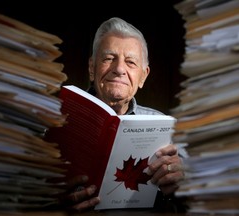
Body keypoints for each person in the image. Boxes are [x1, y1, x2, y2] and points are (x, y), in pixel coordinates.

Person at [60, 17, 185, 212]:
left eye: (130, 62)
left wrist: (183, 187)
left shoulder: (168, 130)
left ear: (143, 76)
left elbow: (199, 199)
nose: (119, 69)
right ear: (92, 68)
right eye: (109, 58)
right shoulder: (55, 121)